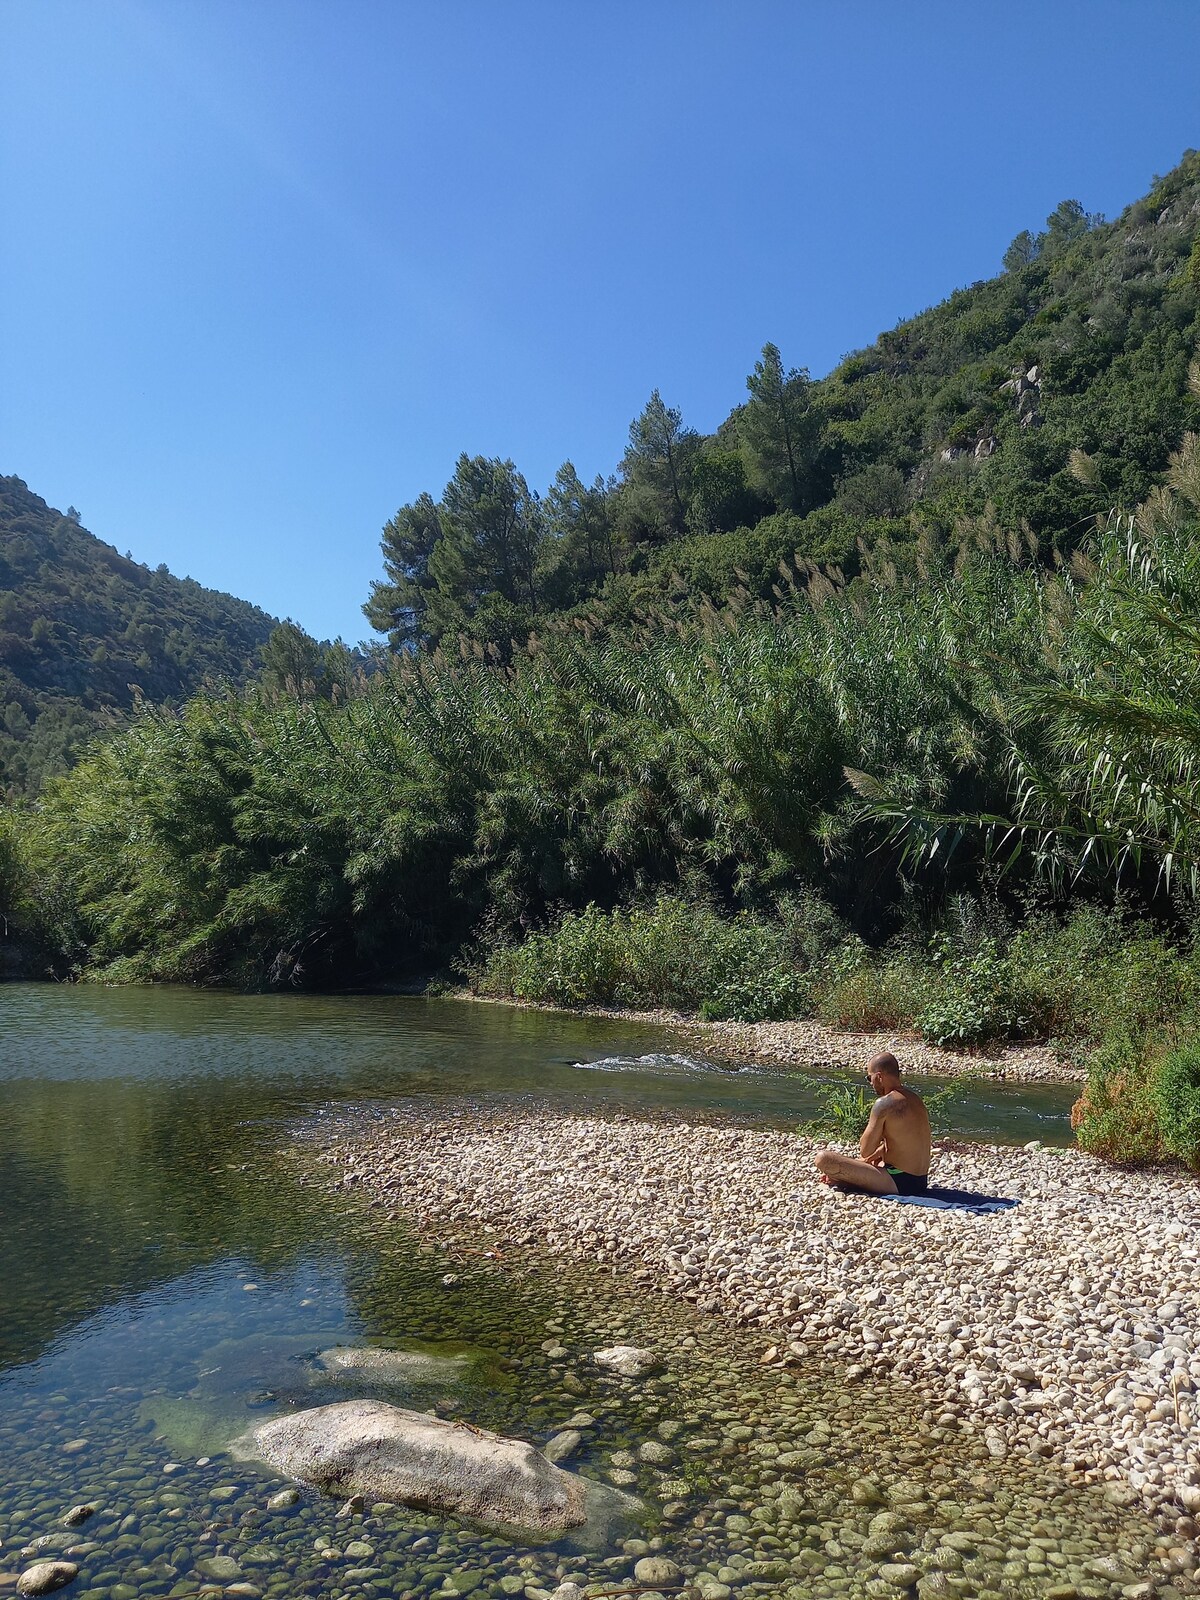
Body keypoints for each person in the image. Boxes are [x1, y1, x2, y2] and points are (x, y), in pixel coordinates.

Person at [814, 1051, 931, 1195]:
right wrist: (872, 1157)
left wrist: (866, 1157)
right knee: (868, 1161)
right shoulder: (915, 1099)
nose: (870, 1083)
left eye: (869, 1077)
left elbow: (865, 1149)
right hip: (920, 1181)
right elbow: (907, 1142)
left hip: (900, 1182)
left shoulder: (885, 1104)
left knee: (823, 1159)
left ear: (879, 1076)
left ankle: (844, 1180)